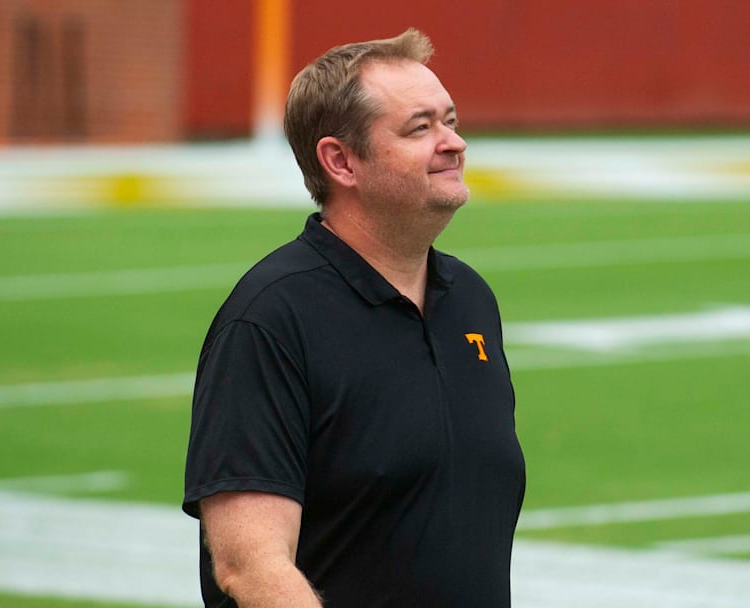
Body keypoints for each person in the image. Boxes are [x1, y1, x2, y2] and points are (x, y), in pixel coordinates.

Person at [183, 28, 525, 607]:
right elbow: (251, 568)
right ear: (340, 161)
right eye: (420, 127)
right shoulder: (270, 319)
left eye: (450, 120)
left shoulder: (470, 299)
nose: (454, 143)